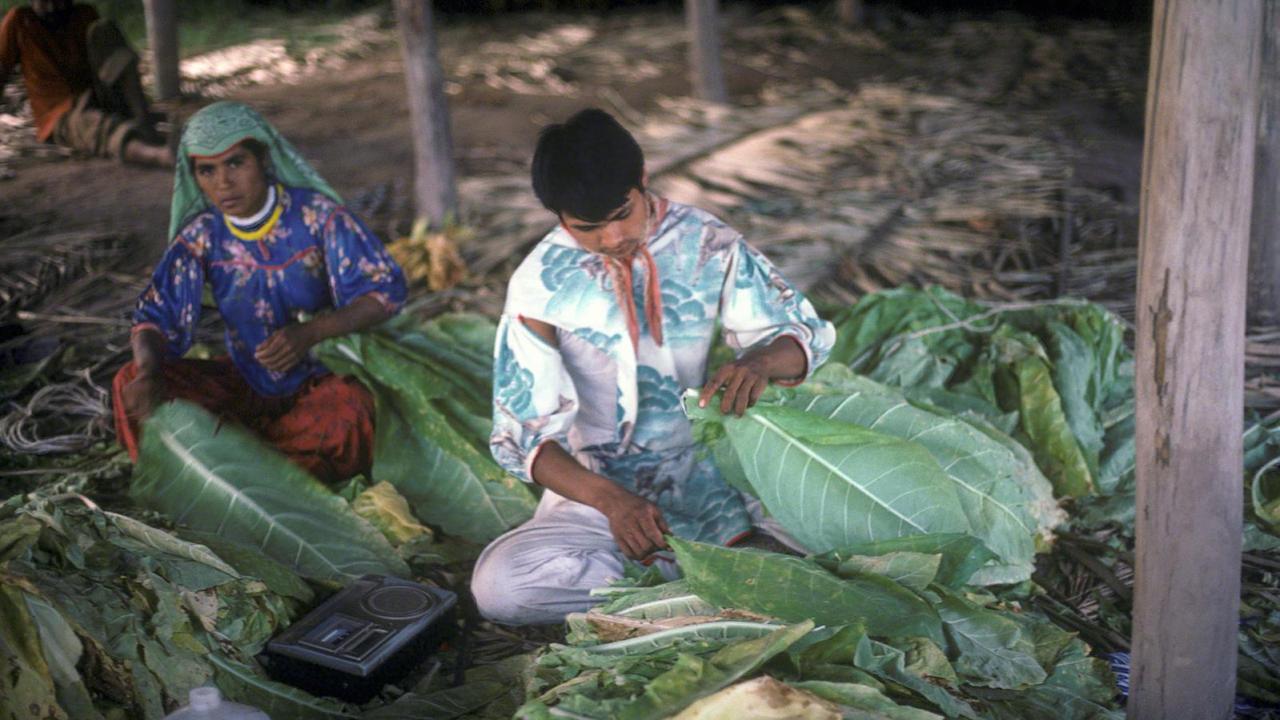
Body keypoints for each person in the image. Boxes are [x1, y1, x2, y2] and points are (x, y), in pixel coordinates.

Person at [471, 109, 835, 625]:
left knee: (853, 528)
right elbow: (524, 437)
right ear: (559, 217)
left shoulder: (706, 241)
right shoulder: (539, 286)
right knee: (501, 588)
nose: (612, 237)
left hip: (719, 470)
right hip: (599, 490)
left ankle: (687, 588)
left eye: (622, 212)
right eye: (587, 228)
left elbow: (803, 335)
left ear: (641, 180)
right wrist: (614, 503)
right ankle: (730, 582)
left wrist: (758, 361)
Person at [112, 101, 407, 483]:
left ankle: (236, 477)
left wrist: (312, 333)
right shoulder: (202, 235)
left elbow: (385, 290)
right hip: (244, 382)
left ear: (264, 159)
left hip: (319, 382)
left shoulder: (317, 217)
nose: (223, 183)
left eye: (236, 163)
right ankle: (249, 471)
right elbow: (154, 315)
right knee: (130, 381)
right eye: (207, 170)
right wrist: (150, 371)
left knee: (350, 412)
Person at [0, 0, 172, 167]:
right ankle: (159, 155)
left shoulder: (84, 14)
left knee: (104, 29)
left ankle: (142, 119)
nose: (53, 7)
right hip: (60, 114)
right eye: (45, 1)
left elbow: (111, 63)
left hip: (99, 97)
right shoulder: (19, 21)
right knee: (94, 126)